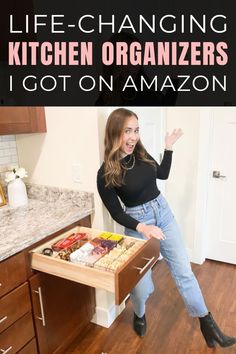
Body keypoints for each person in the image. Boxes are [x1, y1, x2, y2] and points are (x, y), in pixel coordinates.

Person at [97, 108, 236, 348]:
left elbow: (162, 173)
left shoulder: (140, 153)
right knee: (141, 287)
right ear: (114, 133)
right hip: (138, 225)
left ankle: (208, 324)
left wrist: (168, 147)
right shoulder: (106, 173)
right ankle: (139, 313)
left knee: (184, 272)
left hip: (164, 214)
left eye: (136, 131)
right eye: (127, 131)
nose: (133, 137)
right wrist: (143, 227)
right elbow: (116, 212)